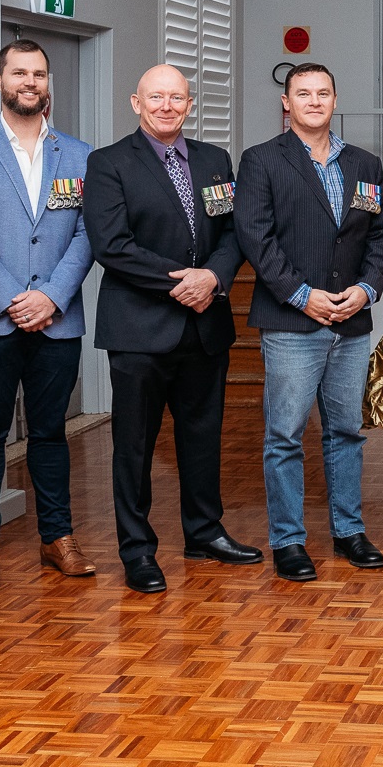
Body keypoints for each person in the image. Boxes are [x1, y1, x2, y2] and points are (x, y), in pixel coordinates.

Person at [85, 64, 260, 593]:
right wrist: (180, 283)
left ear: (189, 105)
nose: (166, 106)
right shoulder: (109, 162)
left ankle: (204, 532)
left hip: (205, 326)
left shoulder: (214, 160)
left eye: (177, 98)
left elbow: (233, 232)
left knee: (203, 437)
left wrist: (214, 275)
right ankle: (137, 550)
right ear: (136, 103)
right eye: (155, 97)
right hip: (139, 329)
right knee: (133, 445)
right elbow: (110, 245)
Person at [235, 64, 383, 582]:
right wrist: (304, 297)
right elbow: (257, 240)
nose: (314, 101)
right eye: (303, 93)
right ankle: (288, 540)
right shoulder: (261, 161)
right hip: (291, 323)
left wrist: (366, 289)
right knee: (285, 435)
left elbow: (378, 237)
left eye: (323, 92)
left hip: (350, 322)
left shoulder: (365, 163)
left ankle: (349, 531)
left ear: (335, 98)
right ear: (286, 102)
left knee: (346, 432)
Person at [0, 39, 97, 591]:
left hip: (57, 320)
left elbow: (89, 232)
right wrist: (13, 297)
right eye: (19, 73)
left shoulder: (80, 155)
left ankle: (57, 537)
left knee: (50, 434)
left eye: (39, 74)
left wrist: (53, 296)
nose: (30, 83)